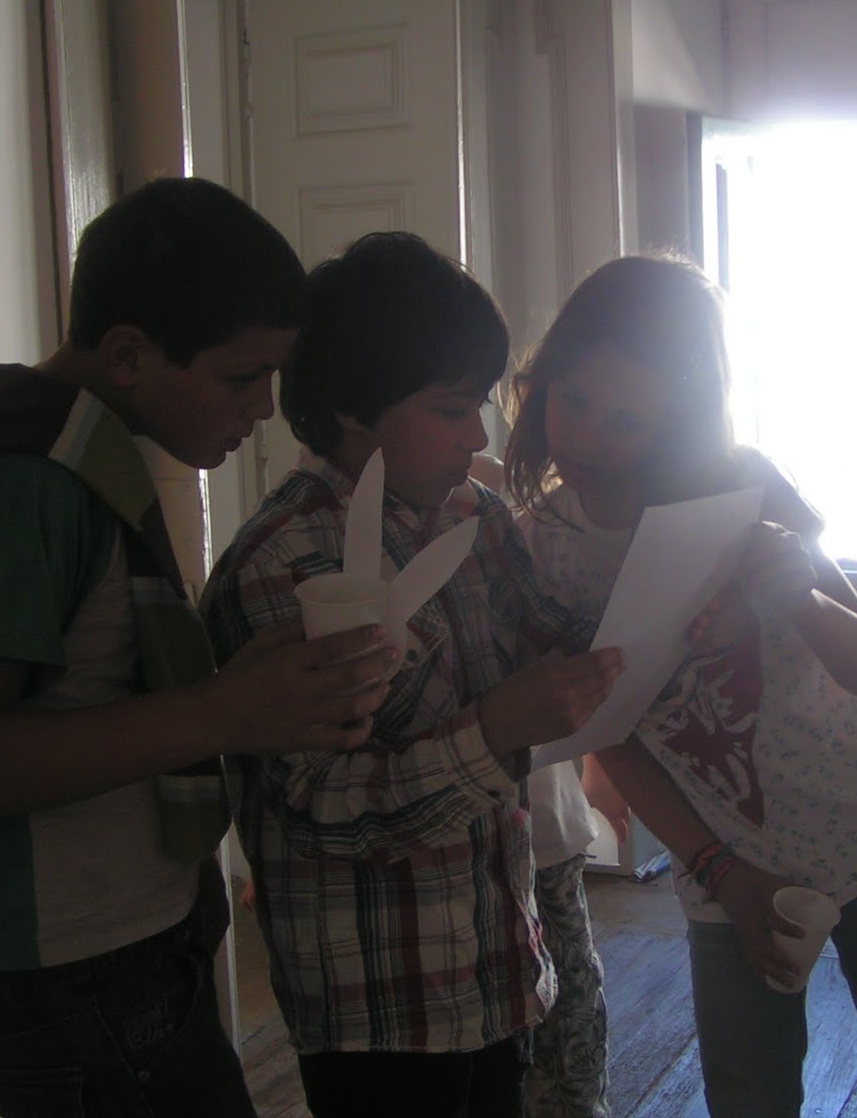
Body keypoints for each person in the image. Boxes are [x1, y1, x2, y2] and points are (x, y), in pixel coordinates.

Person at [0, 177, 397, 1118]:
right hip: (74, 969)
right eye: (241, 377)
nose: (264, 408)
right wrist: (224, 710)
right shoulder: (19, 487)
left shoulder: (76, 455)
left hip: (109, 951)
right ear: (130, 355)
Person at [502, 253, 857, 1118]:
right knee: (748, 1098)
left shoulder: (745, 486)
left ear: (678, 419)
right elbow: (610, 733)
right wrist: (720, 872)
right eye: (571, 400)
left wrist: (797, 595)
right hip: (726, 868)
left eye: (626, 420)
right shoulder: (540, 548)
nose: (584, 437)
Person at [199, 231, 625, 1118]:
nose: (479, 436)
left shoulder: (475, 516)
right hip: (379, 1012)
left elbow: (550, 638)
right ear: (353, 410)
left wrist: (651, 613)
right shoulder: (284, 562)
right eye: (450, 409)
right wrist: (497, 728)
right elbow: (322, 806)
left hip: (496, 972)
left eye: (479, 406)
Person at [469, 453, 617, 1118]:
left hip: (547, 819)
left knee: (571, 986)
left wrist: (602, 774)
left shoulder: (499, 498)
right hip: (469, 828)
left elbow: (580, 660)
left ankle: (579, 1105)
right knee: (506, 1006)